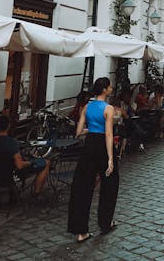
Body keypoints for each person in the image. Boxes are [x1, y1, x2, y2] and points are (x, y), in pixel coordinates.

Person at [68, 77, 119, 243]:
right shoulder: (108, 109)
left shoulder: (87, 107)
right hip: (103, 146)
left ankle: (80, 231)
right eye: (109, 87)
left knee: (83, 187)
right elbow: (109, 134)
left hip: (89, 144)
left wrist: (91, 129)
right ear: (104, 89)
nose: (111, 88)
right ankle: (105, 223)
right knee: (109, 185)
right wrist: (111, 158)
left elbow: (78, 132)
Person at [0, 115, 50, 198]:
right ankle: (36, 194)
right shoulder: (12, 142)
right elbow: (19, 165)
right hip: (11, 174)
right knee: (46, 162)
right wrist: (30, 162)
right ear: (8, 127)